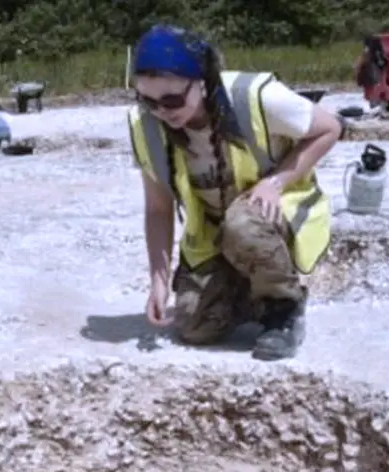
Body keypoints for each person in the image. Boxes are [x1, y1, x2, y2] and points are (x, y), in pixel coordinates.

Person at [128, 25, 342, 361]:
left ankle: (282, 308)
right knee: (194, 326)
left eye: (172, 100)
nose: (161, 112)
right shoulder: (147, 127)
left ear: (201, 81)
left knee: (243, 223)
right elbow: (158, 208)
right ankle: (249, 295)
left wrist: (275, 182)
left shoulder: (253, 96)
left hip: (268, 216)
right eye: (148, 101)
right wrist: (158, 278)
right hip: (218, 232)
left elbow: (330, 128)